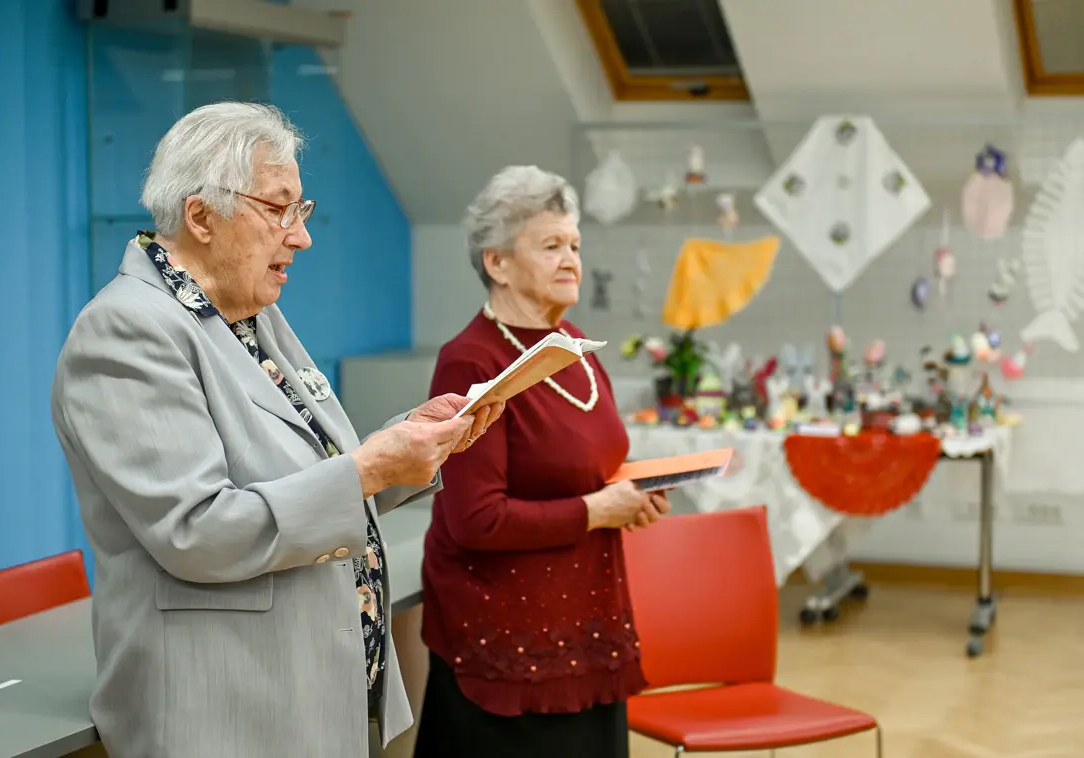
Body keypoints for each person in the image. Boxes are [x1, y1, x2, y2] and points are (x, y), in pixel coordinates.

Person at [50, 102, 503, 758]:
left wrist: (409, 439)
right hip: (228, 710)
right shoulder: (127, 330)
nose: (301, 236)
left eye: (302, 210)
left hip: (310, 693)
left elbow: (311, 475)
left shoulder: (244, 314)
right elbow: (197, 531)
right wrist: (372, 467)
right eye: (278, 209)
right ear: (202, 215)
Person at [412, 165, 671, 758]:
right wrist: (598, 510)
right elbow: (475, 520)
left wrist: (630, 494)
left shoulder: (574, 346)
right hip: (507, 637)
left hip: (586, 616)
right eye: (551, 245)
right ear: (496, 263)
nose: (570, 258)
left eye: (575, 244)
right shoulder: (471, 363)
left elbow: (588, 466)